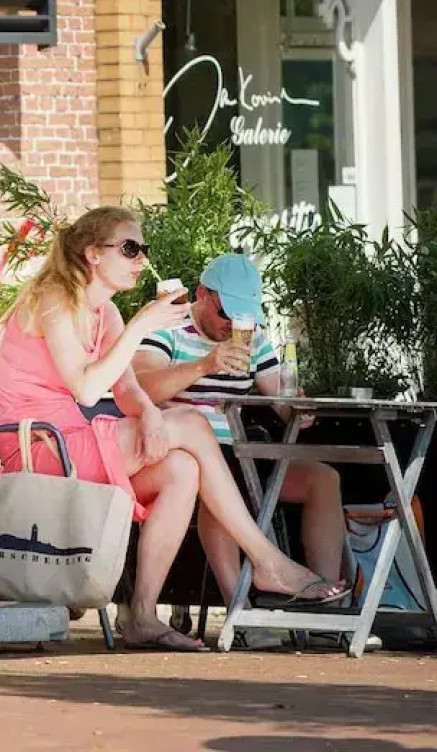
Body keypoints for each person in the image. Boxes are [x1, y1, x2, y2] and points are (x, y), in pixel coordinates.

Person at [0, 206, 347, 652]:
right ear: (92, 255)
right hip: (37, 443)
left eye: (143, 248)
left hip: (73, 440)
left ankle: (141, 612)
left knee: (182, 468)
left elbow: (125, 391)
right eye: (129, 248)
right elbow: (86, 390)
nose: (141, 258)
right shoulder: (55, 299)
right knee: (193, 423)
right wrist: (143, 325)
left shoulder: (107, 316)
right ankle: (266, 560)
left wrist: (151, 413)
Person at [132, 253, 346, 646]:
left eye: (242, 314)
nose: (233, 324)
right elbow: (142, 389)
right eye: (226, 313)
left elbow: (276, 396)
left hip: (242, 449)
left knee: (323, 479)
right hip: (184, 454)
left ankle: (325, 613)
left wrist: (294, 406)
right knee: (223, 477)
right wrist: (204, 364)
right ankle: (241, 612)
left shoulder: (252, 335)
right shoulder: (168, 329)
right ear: (202, 295)